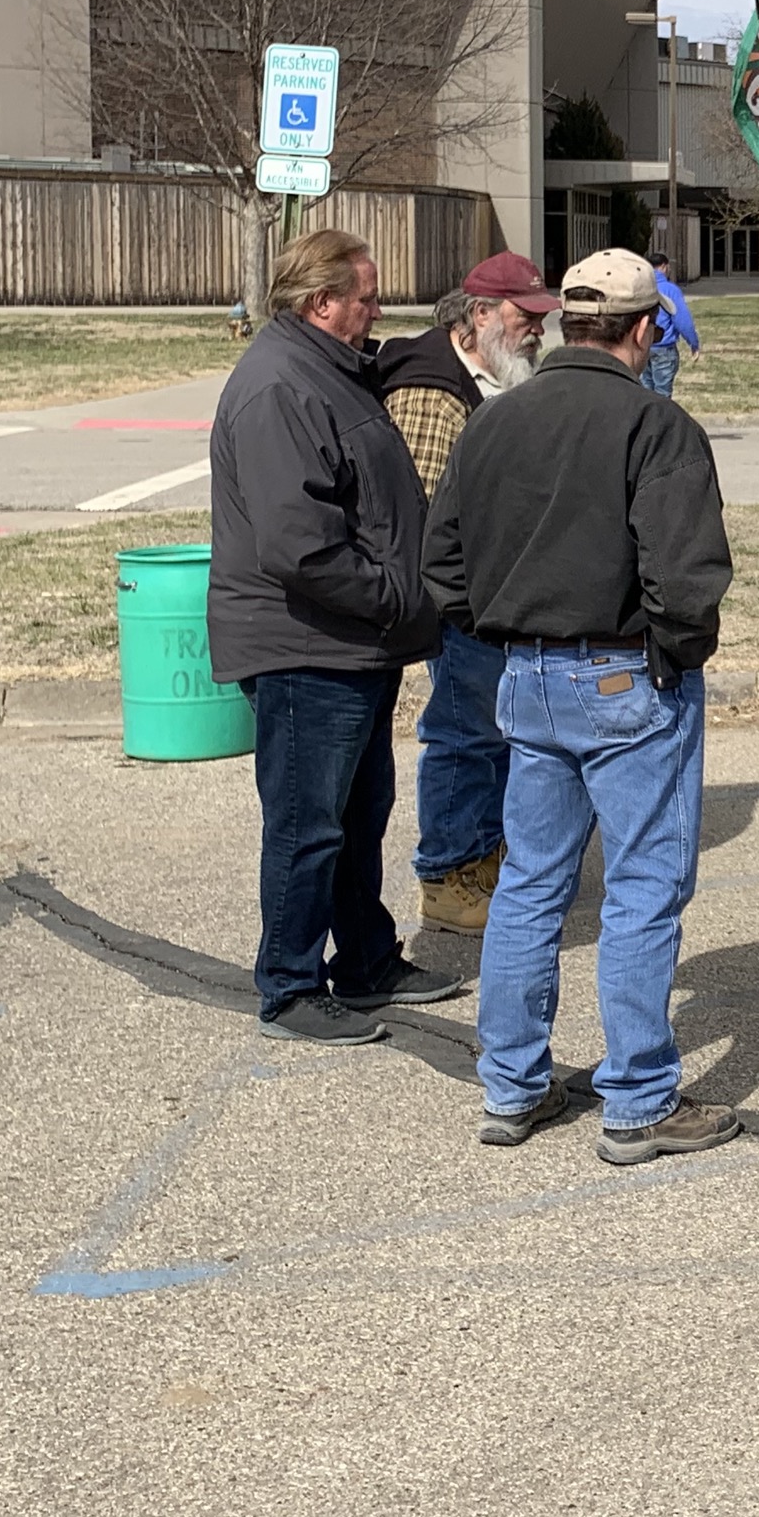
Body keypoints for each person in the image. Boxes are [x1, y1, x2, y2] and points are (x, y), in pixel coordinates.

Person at [424, 247, 738, 1162]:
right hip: (625, 673)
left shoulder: (495, 420)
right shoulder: (656, 426)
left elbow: (442, 564)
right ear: (646, 329)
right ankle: (638, 1101)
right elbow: (687, 578)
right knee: (644, 887)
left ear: (567, 323)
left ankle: (512, 1087)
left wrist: (505, 633)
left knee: (529, 883)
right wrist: (674, 658)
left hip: (527, 674)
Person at [209, 228, 456, 1045]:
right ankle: (289, 984)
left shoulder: (330, 370)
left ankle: (365, 962)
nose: (378, 310)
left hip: (354, 641)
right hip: (307, 645)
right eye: (367, 297)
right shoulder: (280, 386)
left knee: (359, 813)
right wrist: (396, 597)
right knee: (308, 822)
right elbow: (299, 544)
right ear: (323, 304)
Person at [376, 251, 560, 932]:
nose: (537, 330)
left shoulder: (494, 376)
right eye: (525, 317)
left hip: (496, 594)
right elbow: (424, 515)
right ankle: (446, 875)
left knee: (493, 733)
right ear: (478, 316)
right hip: (459, 603)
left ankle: (482, 857)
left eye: (541, 318)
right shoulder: (432, 388)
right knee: (463, 733)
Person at [641, 250, 700, 397]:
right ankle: (660, 419)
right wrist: (693, 343)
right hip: (664, 347)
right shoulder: (671, 290)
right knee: (662, 394)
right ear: (663, 267)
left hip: (642, 346)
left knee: (645, 392)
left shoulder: (641, 288)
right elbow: (682, 320)